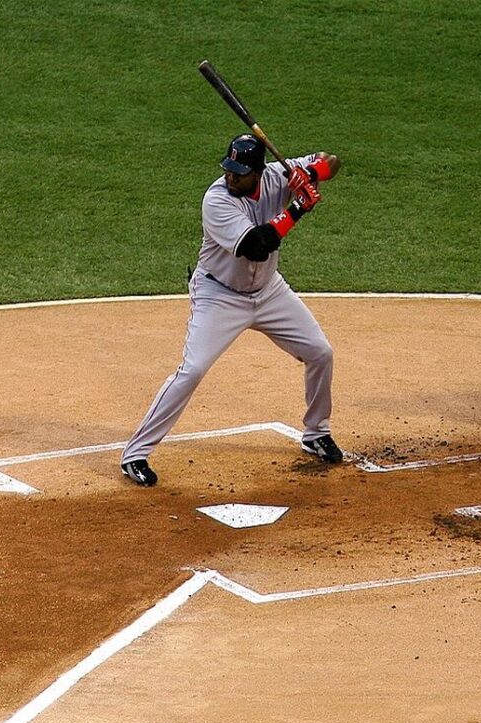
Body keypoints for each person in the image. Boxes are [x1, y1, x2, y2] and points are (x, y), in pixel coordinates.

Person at [120, 134, 343, 486]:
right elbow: (257, 245)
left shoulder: (276, 176)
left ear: (258, 171)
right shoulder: (216, 200)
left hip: (269, 292)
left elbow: (333, 159)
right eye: (229, 170)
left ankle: (316, 432)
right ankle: (135, 454)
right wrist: (298, 207)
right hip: (219, 296)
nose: (231, 177)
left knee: (321, 352)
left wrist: (312, 174)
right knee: (191, 371)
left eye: (240, 173)